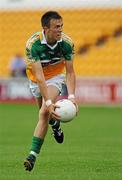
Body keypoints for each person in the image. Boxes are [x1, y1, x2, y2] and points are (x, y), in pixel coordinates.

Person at [24, 11, 78, 172]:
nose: (60, 30)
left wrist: (72, 96)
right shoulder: (33, 44)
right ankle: (56, 125)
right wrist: (48, 102)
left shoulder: (67, 43)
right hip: (36, 80)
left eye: (61, 26)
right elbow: (40, 78)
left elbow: (70, 72)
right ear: (45, 29)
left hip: (55, 77)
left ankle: (32, 156)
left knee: (43, 113)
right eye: (56, 27)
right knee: (47, 114)